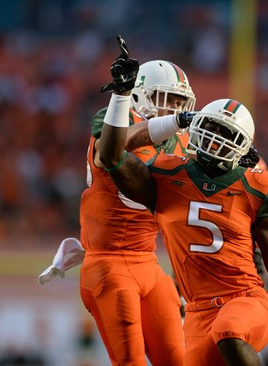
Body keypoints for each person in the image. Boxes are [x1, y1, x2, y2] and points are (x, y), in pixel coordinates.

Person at [97, 36, 268, 366]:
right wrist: (124, 98)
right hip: (197, 314)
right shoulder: (166, 174)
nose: (215, 145)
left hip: (244, 301)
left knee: (229, 332)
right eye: (211, 132)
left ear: (244, 148)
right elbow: (113, 154)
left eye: (227, 139)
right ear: (195, 127)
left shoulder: (257, 185)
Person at [78, 56, 196, 366]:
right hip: (110, 264)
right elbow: (113, 153)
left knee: (178, 359)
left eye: (179, 103)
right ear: (140, 95)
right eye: (166, 99)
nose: (174, 109)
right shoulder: (115, 122)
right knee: (130, 361)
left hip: (148, 262)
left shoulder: (181, 142)